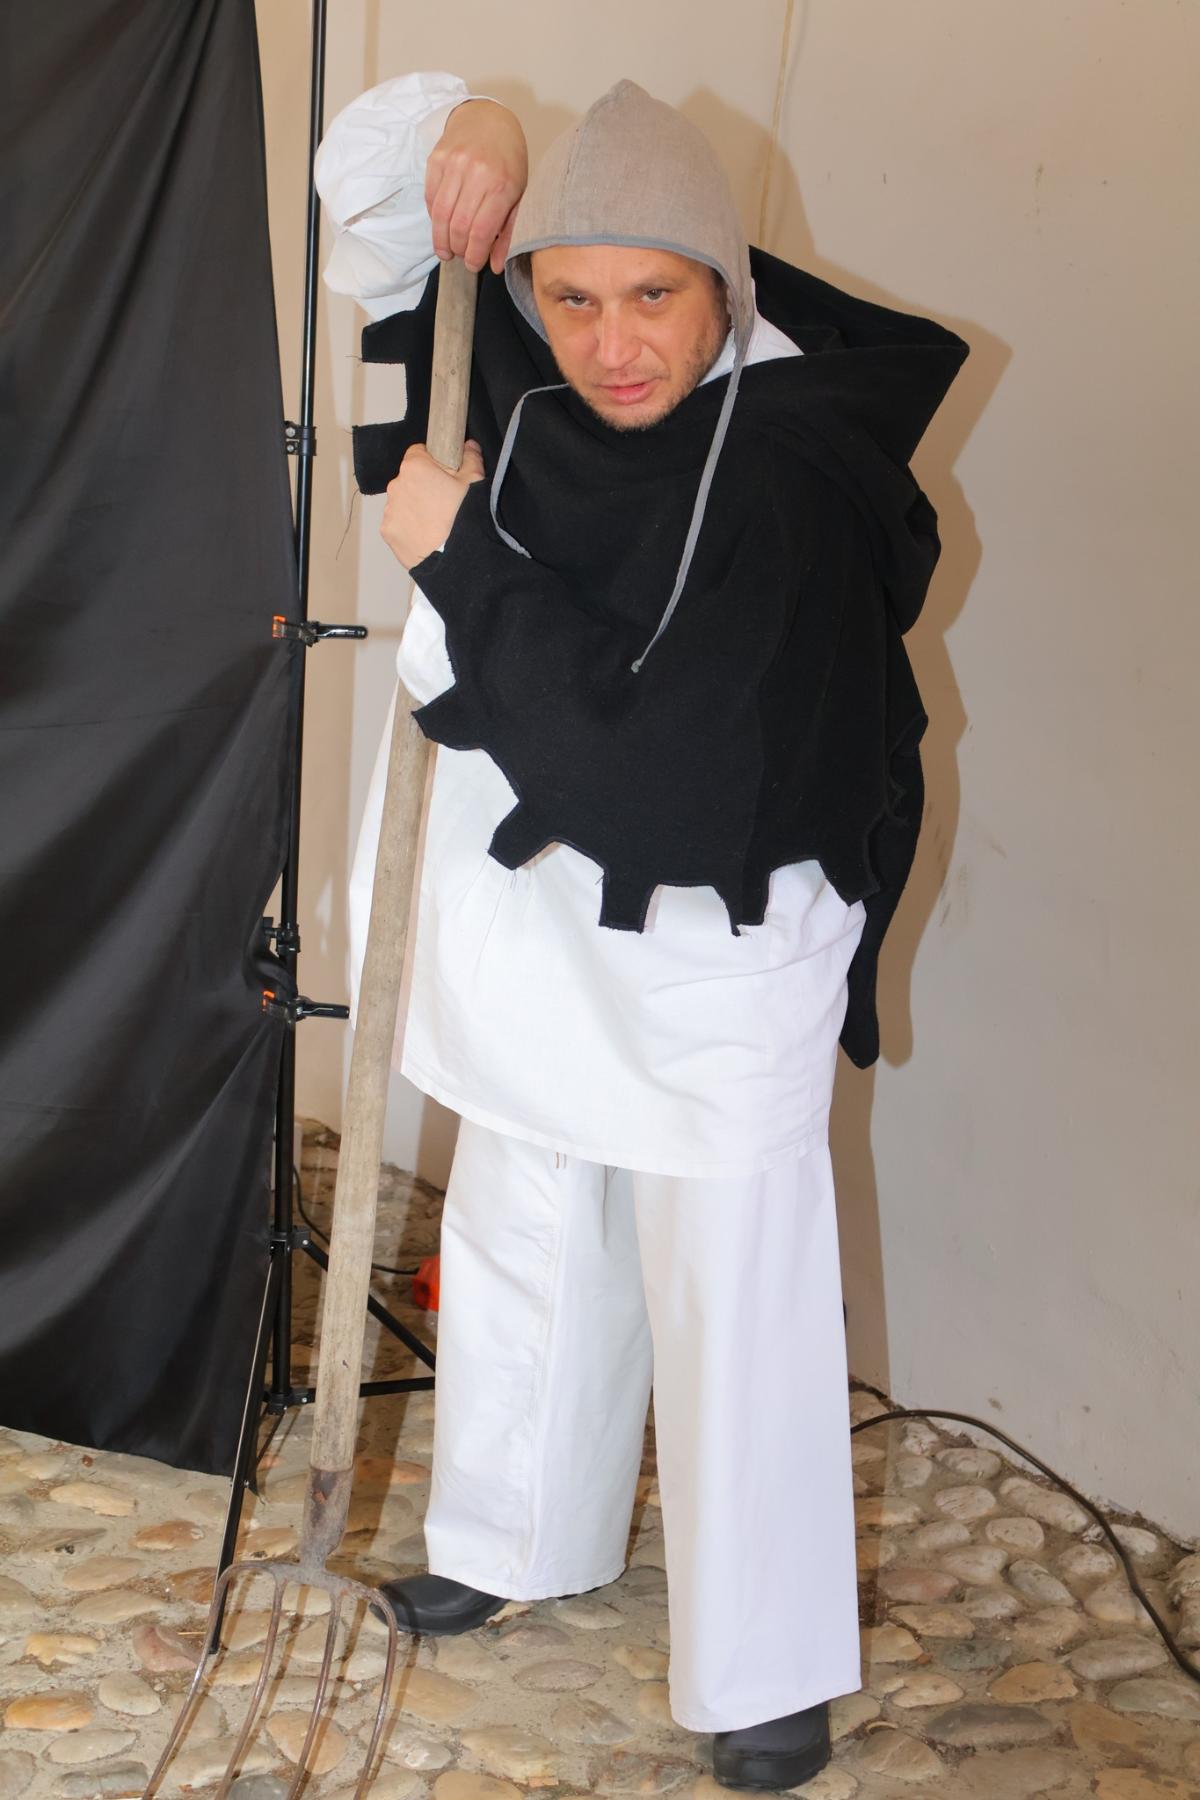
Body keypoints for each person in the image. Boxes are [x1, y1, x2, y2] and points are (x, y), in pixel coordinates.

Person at [315, 72, 967, 1792]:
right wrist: (471, 131)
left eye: (654, 296)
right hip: (543, 916)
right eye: (574, 295)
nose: (612, 345)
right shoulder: (540, 378)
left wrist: (460, 558)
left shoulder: (798, 465)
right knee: (525, 1210)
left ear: (724, 287)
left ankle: (763, 1659)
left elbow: (670, 772)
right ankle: (512, 1531)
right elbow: (377, 232)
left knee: (733, 1280)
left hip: (716, 931)